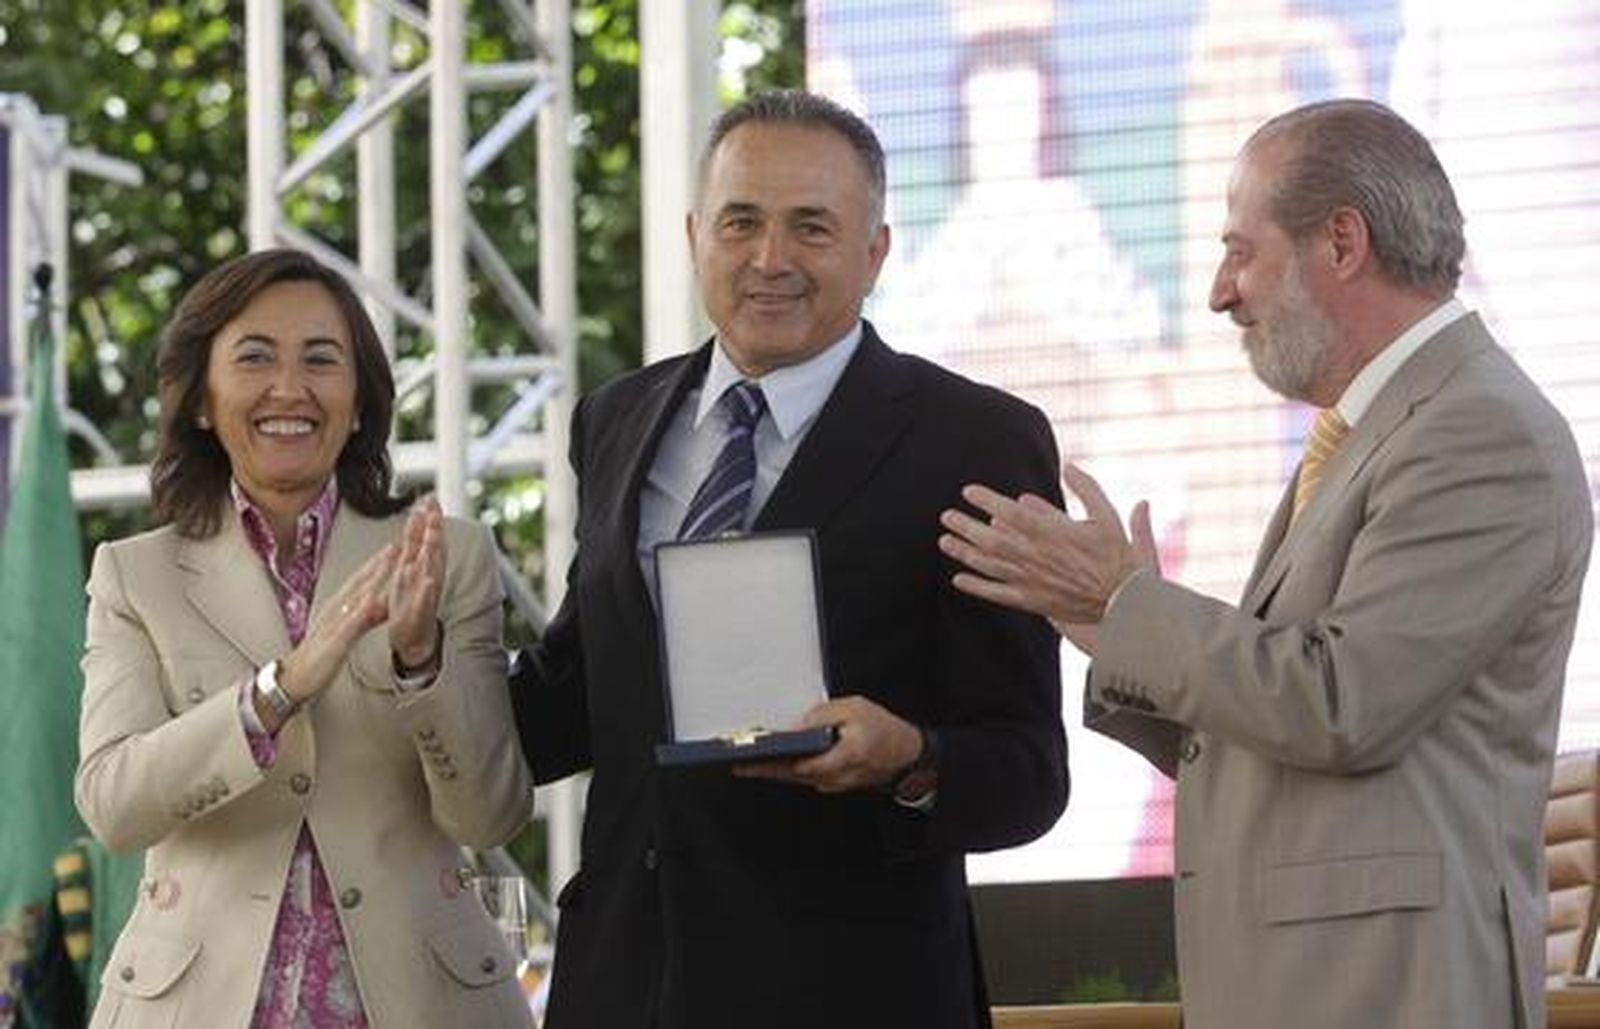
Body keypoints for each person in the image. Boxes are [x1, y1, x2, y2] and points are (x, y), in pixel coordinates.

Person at [939, 98, 1594, 1029]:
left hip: (1389, 991)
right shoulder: (1375, 429)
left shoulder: (1478, 430)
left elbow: (1341, 704)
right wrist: (1113, 628)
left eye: (1242, 251)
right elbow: (1289, 735)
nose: (1218, 291)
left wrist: (1133, 604)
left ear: (1341, 243)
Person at [509, 90, 1068, 1029]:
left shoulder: (977, 439)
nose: (770, 259)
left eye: (812, 227)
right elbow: (579, 701)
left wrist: (911, 760)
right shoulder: (616, 419)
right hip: (625, 985)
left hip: (852, 992)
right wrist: (412, 662)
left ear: (876, 250)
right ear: (695, 234)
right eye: (741, 223)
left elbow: (1027, 767)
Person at [75, 248, 534, 1028]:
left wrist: (422, 666)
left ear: (358, 402)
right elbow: (114, 805)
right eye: (255, 357)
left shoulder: (444, 556)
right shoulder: (133, 575)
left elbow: (489, 815)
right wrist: (276, 690)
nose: (289, 388)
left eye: (322, 360)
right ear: (201, 400)